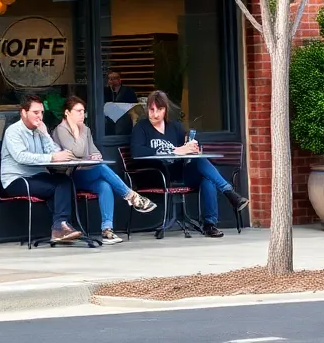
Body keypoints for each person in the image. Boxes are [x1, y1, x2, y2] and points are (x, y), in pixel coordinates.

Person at [130, 90, 249, 238]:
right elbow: (137, 151)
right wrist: (175, 150)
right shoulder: (141, 128)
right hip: (156, 174)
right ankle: (229, 194)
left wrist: (192, 148)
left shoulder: (175, 127)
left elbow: (185, 149)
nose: (155, 114)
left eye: (159, 109)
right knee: (207, 176)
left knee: (205, 173)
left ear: (165, 109)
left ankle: (210, 224)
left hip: (179, 172)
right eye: (151, 109)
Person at [52, 96, 156, 244]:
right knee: (101, 168)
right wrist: (76, 131)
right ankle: (131, 196)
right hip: (71, 176)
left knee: (104, 185)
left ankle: (107, 230)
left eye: (83, 111)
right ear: (67, 113)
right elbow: (78, 151)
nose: (82, 114)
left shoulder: (86, 129)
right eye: (78, 111)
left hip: (87, 172)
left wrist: (95, 155)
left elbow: (94, 152)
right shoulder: (61, 130)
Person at [0, 94, 83, 243]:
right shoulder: (13, 131)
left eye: (42, 112)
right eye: (35, 112)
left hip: (37, 176)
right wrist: (52, 158)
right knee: (58, 186)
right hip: (16, 180)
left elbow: (54, 151)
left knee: (65, 181)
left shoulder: (39, 130)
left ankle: (61, 226)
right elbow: (21, 157)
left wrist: (45, 134)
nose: (40, 116)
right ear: (24, 113)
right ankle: (60, 227)